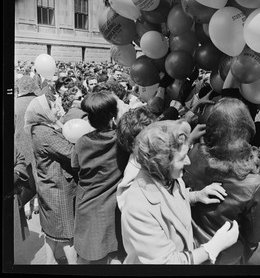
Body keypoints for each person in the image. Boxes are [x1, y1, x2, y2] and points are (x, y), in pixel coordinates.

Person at [121, 119, 239, 264]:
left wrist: (196, 196)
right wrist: (211, 248)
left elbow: (169, 200)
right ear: (161, 163)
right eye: (182, 158)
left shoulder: (167, 175)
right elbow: (166, 263)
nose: (188, 161)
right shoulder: (138, 209)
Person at [183, 97, 260, 265]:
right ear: (247, 128)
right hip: (225, 257)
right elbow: (255, 235)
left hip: (188, 245)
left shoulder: (193, 155)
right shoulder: (255, 182)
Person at [71, 91, 129, 264]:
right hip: (114, 208)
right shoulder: (122, 141)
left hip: (87, 207)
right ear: (113, 116)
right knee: (115, 255)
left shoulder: (82, 142)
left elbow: (75, 167)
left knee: (87, 258)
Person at [24, 92, 78, 264]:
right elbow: (71, 153)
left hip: (49, 186)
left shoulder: (39, 128)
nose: (57, 107)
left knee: (51, 231)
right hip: (58, 189)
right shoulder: (46, 133)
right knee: (67, 234)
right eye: (53, 106)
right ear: (43, 112)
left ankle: (49, 263)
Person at [14, 75, 40, 219]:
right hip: (37, 143)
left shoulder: (15, 104)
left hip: (20, 144)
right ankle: (36, 202)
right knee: (37, 172)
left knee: (24, 174)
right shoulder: (38, 102)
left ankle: (25, 207)